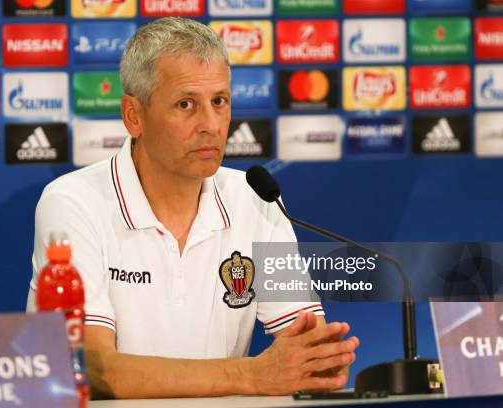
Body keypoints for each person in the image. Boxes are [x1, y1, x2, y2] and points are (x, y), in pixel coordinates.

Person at [26, 17, 359, 399]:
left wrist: (320, 359)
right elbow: (96, 369)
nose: (211, 125)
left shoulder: (257, 201)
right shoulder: (73, 203)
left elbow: (306, 346)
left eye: (219, 102)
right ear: (134, 116)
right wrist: (250, 375)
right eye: (186, 104)